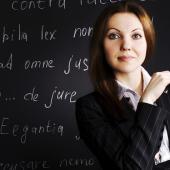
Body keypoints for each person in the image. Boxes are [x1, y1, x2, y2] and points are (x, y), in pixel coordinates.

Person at [75, 0, 170, 170]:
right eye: (114, 35)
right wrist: (147, 100)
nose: (126, 45)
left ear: (147, 41)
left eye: (136, 36)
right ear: (101, 45)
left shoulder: (168, 91)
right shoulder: (89, 108)